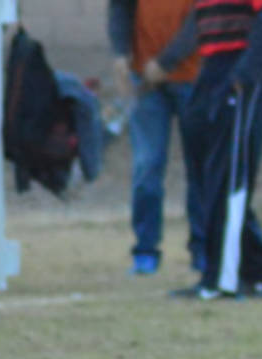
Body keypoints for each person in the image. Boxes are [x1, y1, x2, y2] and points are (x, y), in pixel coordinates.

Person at [169, 0, 262, 300]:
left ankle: (221, 281)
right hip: (210, 69)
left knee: (228, 180)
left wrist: (243, 77)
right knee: (207, 177)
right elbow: (196, 26)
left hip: (240, 70)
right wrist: (166, 61)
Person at [108, 0, 205, 276]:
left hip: (194, 77)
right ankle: (145, 250)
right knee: (146, 166)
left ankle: (203, 248)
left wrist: (166, 61)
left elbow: (205, 14)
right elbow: (120, 7)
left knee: (200, 167)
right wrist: (120, 53)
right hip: (146, 81)